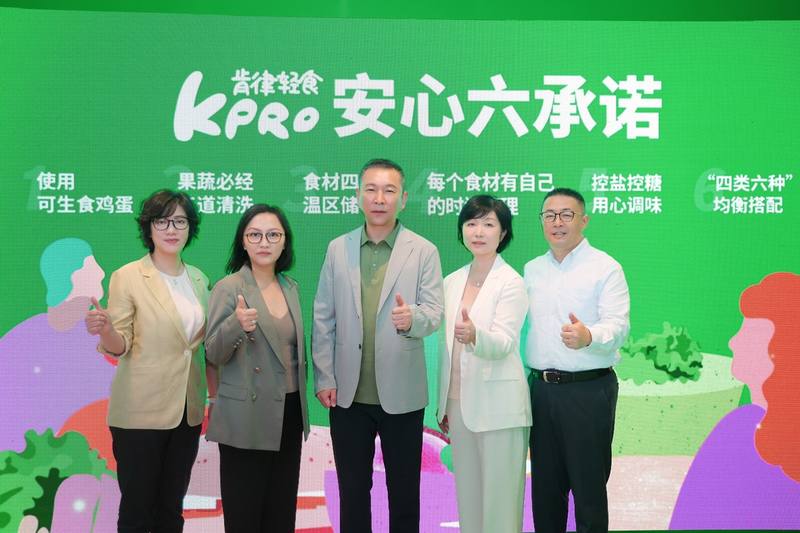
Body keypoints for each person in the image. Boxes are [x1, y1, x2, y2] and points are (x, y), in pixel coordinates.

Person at [312, 158, 443, 533]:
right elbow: (323, 316)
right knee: (353, 491)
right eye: (371, 190)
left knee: (404, 491)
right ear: (358, 196)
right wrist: (324, 377)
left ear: (403, 198)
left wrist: (411, 318)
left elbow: (434, 313)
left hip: (402, 394)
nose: (379, 198)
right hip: (348, 395)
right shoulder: (338, 248)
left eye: (389, 191)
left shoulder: (423, 251)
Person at [85, 189, 214, 533]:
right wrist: (106, 330)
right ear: (149, 227)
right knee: (138, 511)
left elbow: (198, 345)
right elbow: (120, 345)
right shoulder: (128, 276)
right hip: (140, 412)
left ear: (190, 227)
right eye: (162, 221)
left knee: (171, 509)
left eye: (180, 221)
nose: (171, 229)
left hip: (186, 411)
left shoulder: (199, 279)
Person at [524, 187, 630, 533]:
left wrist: (589, 337)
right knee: (545, 493)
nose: (557, 222)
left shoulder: (605, 267)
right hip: (541, 392)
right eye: (549, 215)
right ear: (542, 221)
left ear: (583, 220)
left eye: (566, 215)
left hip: (588, 391)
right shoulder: (531, 270)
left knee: (588, 492)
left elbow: (618, 326)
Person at [204, 204, 310, 532]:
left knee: (281, 513)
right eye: (255, 235)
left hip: (288, 411)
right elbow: (212, 351)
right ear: (243, 241)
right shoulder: (229, 287)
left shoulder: (290, 287)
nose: (264, 242)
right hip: (245, 415)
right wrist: (236, 324)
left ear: (284, 242)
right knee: (245, 514)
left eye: (273, 235)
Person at [669, 272, 800, 529]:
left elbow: (689, 520)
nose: (732, 342)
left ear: (778, 349)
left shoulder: (742, 427)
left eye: (747, 332)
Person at [436, 195, 531, 533]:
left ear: (503, 233)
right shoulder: (451, 281)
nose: (478, 232)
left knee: (500, 503)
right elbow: (446, 351)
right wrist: (444, 404)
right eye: (471, 223)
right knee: (469, 499)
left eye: (489, 224)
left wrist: (476, 335)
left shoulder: (512, 282)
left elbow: (505, 342)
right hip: (459, 405)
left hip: (500, 408)